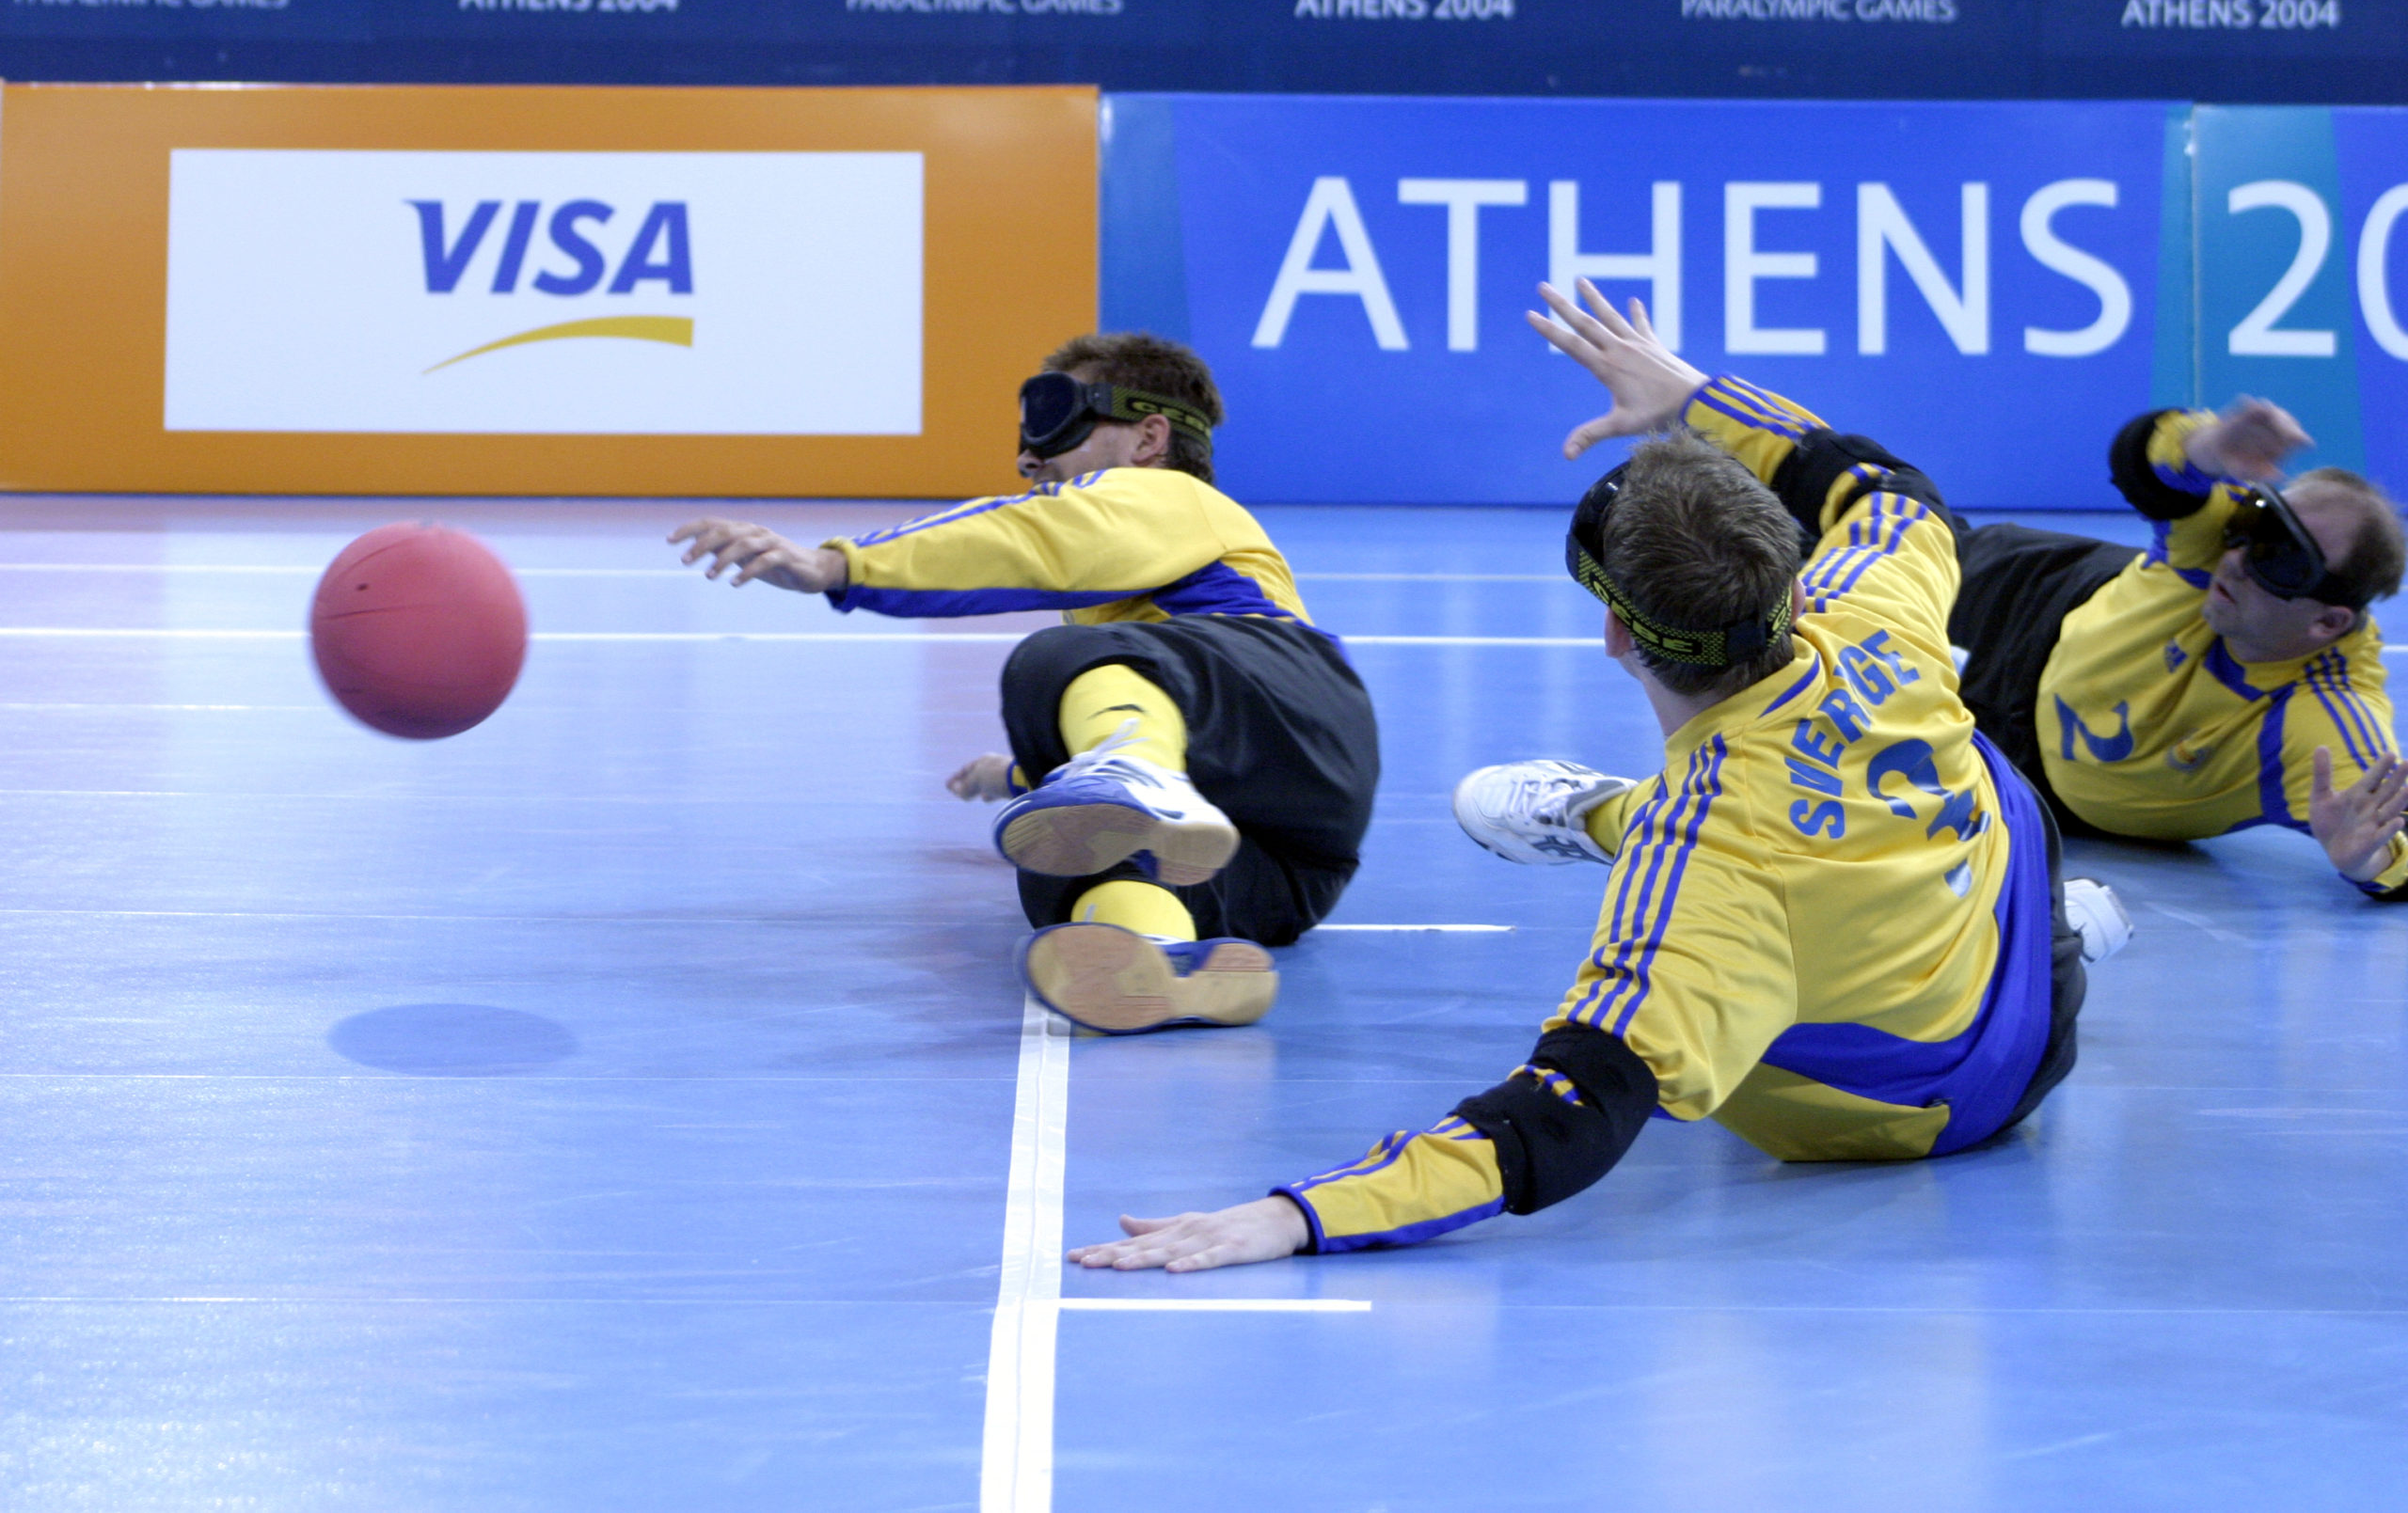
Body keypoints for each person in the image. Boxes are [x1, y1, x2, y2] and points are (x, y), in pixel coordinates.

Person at [1066, 280, 2115, 1274]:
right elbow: (1886, 488)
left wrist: (1295, 1215)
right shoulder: (1865, 600)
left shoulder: (1703, 865)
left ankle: (1601, 813)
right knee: (1974, 760)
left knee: (1709, 899)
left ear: (1615, 630)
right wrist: (1698, 395)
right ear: (1791, 582)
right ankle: (2054, 918)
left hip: (1896, 1117)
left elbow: (1570, 1106)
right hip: (2028, 986)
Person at [669, 332, 1379, 1034]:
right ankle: (1167, 964)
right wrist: (1018, 774)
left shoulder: (1172, 495)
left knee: (1056, 660)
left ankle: (1136, 774)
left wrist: (839, 566)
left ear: (1149, 437)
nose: (1026, 456)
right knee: (1066, 863)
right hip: (1290, 867)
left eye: (1056, 419)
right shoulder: (1135, 596)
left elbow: (1034, 538)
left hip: (1291, 694)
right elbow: (1190, 715)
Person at [1947, 400, 2408, 899]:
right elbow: (2145, 461)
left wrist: (2367, 863)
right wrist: (2208, 446)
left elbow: (2390, 845)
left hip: (2022, 776)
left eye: (2280, 559)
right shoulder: (2219, 542)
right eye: (2257, 524)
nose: (2235, 561)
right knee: (1884, 527)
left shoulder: (2321, 721)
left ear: (2328, 622)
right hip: (2031, 604)